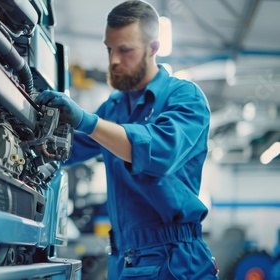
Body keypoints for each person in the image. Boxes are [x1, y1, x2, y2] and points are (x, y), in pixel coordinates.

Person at [35, 0, 219, 279]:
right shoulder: (115, 106)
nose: (113, 61)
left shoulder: (185, 97)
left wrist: (87, 121)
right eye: (109, 49)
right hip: (123, 258)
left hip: (173, 259)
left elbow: (159, 150)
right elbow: (67, 149)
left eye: (125, 50)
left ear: (153, 48)